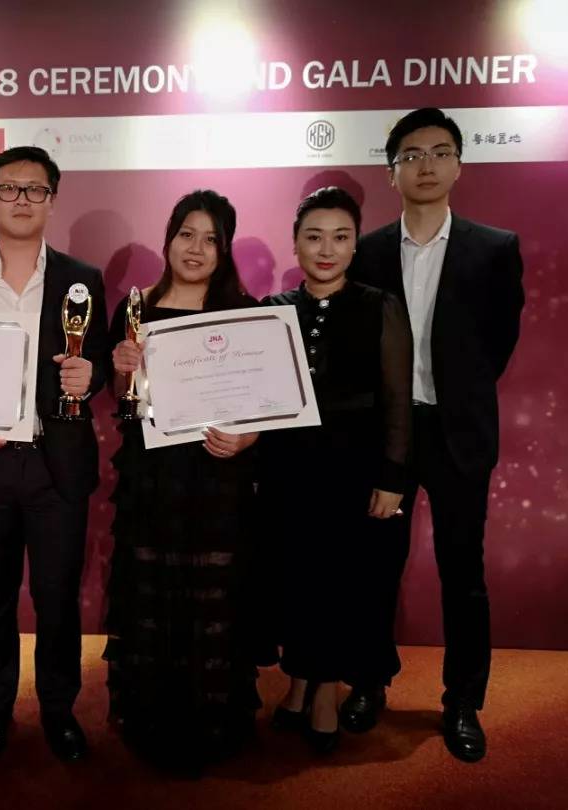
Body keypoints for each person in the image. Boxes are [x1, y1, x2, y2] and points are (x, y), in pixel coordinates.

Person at [344, 107, 525, 762]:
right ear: (390, 172)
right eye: (411, 155)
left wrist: (457, 394)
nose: (426, 165)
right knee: (374, 566)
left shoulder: (494, 248)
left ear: (458, 165)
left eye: (440, 152)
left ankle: (463, 701)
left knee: (463, 572)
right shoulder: (366, 253)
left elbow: (497, 342)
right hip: (387, 436)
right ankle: (368, 682)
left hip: (458, 433)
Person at [0, 146, 107, 762]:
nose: (22, 200)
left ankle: (59, 710)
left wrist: (91, 375)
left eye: (35, 190)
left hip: (59, 465)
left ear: (53, 200)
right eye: (9, 189)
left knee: (58, 599)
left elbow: (97, 361)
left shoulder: (84, 278)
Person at [105, 190, 261, 770]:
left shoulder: (244, 312)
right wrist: (122, 371)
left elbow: (266, 401)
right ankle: (152, 722)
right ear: (169, 238)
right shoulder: (136, 307)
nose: (196, 249)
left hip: (218, 476)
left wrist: (247, 438)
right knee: (152, 592)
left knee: (213, 597)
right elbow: (125, 402)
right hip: (153, 477)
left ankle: (211, 724)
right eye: (186, 234)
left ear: (225, 248)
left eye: (210, 239)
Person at [258, 186, 413, 754]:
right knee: (294, 580)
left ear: (355, 246)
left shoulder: (379, 305)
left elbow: (398, 400)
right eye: (314, 237)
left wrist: (393, 477)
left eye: (341, 237)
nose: (327, 250)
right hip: (287, 471)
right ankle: (298, 684)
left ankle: (324, 692)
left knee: (340, 585)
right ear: (295, 243)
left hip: (354, 472)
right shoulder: (272, 309)